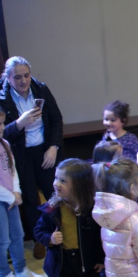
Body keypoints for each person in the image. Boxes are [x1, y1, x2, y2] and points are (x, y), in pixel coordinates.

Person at [1, 56, 64, 260]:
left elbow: (56, 119)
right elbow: (3, 133)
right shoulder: (3, 98)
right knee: (29, 198)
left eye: (26, 75)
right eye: (17, 77)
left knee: (54, 193)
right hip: (21, 155)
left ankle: (61, 233)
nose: (23, 81)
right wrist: (19, 123)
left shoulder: (40, 88)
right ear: (8, 78)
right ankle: (40, 239)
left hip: (45, 151)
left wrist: (54, 147)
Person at [0, 107, 44, 277]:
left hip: (11, 199)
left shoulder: (5, 144)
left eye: (2, 122)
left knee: (18, 235)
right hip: (4, 199)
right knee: (3, 240)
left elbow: (12, 170)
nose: (2, 127)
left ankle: (20, 269)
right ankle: (4, 274)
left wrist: (17, 192)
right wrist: (11, 196)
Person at [91, 140, 123, 277]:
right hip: (102, 232)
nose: (123, 159)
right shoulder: (103, 182)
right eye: (119, 156)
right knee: (103, 263)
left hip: (109, 231)